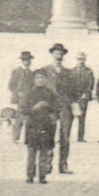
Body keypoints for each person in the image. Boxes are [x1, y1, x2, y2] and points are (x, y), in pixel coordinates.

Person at [38, 43, 76, 175]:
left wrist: (74, 105)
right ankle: (47, 164)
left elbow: (73, 91)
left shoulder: (69, 72)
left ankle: (63, 165)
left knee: (65, 136)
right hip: (50, 107)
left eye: (60, 52)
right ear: (52, 54)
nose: (58, 54)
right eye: (56, 52)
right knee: (49, 135)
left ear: (63, 55)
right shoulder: (44, 71)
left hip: (65, 107)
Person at [23, 64, 61, 184]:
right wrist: (35, 107)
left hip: (46, 126)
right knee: (31, 152)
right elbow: (24, 109)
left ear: (46, 80)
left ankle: (42, 176)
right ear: (34, 80)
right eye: (37, 77)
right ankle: (30, 175)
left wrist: (48, 108)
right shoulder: (29, 94)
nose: (40, 80)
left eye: (42, 77)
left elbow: (58, 107)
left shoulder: (50, 93)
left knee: (44, 152)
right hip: (32, 126)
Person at [7, 51, 35, 143]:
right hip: (19, 100)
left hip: (29, 99)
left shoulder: (31, 73)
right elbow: (11, 86)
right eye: (25, 60)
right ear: (22, 61)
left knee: (29, 119)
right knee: (19, 118)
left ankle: (28, 139)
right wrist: (18, 93)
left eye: (29, 60)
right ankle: (15, 138)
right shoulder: (16, 71)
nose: (27, 62)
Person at [72, 52, 96, 142]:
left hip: (83, 97)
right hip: (73, 97)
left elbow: (90, 83)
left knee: (82, 117)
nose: (81, 61)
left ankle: (80, 137)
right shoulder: (72, 71)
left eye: (82, 59)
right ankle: (64, 136)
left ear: (85, 60)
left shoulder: (88, 71)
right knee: (69, 117)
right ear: (76, 60)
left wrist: (85, 93)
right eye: (79, 59)